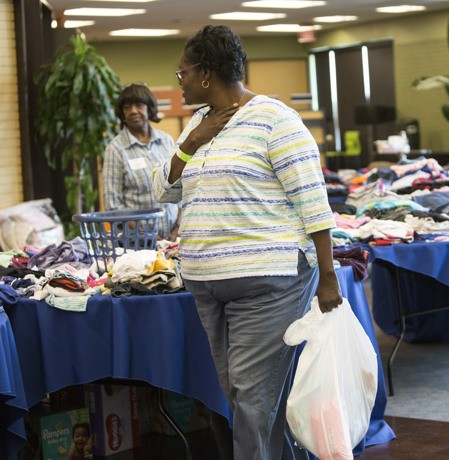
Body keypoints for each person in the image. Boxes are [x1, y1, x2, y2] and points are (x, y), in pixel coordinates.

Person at [151, 25, 343, 460]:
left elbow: (314, 203)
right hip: (206, 281)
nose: (179, 83)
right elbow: (163, 189)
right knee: (241, 398)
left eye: (181, 73)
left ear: (204, 74)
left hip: (268, 281)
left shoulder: (277, 120)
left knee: (252, 400)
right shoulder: (199, 124)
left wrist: (328, 277)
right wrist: (191, 143)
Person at [102, 83, 180, 240]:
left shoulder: (166, 141)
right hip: (136, 244)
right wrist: (147, 236)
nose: (133, 111)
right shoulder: (115, 149)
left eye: (139, 105)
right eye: (127, 107)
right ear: (122, 114)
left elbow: (180, 188)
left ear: (149, 108)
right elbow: (113, 206)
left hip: (174, 238)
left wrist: (177, 228)